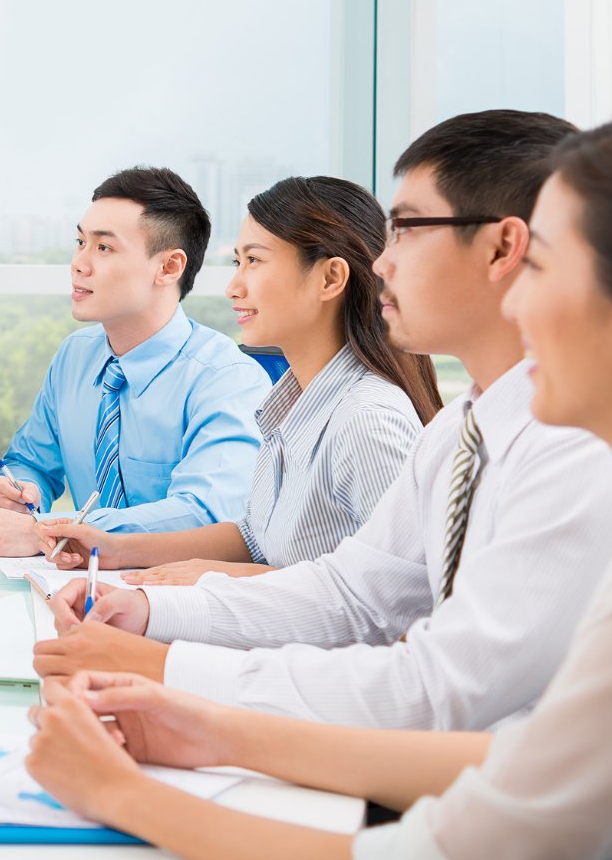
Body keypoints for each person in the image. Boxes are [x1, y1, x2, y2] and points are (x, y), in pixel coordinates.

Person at [22, 108, 612, 860]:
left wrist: (134, 770)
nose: (520, 302)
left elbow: (447, 771)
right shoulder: (471, 428)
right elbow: (362, 600)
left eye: (543, 268)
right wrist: (191, 697)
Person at [36, 176, 439, 585]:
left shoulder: (367, 420)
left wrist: (219, 579)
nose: (233, 287)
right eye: (236, 263)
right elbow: (255, 536)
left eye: (255, 261)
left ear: (330, 279)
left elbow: (397, 602)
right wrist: (111, 547)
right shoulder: (288, 405)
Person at [0, 167, 272, 557]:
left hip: (176, 598)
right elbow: (30, 461)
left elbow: (205, 515)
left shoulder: (227, 379)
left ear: (169, 267)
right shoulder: (75, 356)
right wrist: (20, 491)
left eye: (103, 248)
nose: (78, 264)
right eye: (80, 242)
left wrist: (49, 531)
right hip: (71, 586)